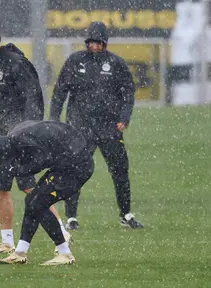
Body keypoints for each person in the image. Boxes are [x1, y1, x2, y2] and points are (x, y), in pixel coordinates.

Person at [0, 27, 71, 254]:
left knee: (30, 187)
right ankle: (6, 241)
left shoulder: (18, 64)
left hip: (20, 136)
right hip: (1, 135)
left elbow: (34, 99)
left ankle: (62, 231)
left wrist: (29, 131)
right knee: (0, 187)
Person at [50, 21, 143, 230]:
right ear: (86, 43)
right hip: (80, 127)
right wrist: (54, 120)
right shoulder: (75, 61)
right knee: (75, 170)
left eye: (98, 43)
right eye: (91, 43)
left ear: (105, 43)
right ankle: (71, 217)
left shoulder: (116, 64)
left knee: (120, 170)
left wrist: (124, 117)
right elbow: (59, 92)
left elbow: (128, 93)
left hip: (109, 128)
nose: (94, 47)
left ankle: (125, 214)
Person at [0, 120, 94, 265]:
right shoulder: (16, 137)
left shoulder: (26, 142)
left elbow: (42, 160)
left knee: (38, 203)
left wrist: (17, 170)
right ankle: (20, 253)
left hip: (76, 166)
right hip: (69, 160)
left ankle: (65, 254)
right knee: (31, 201)